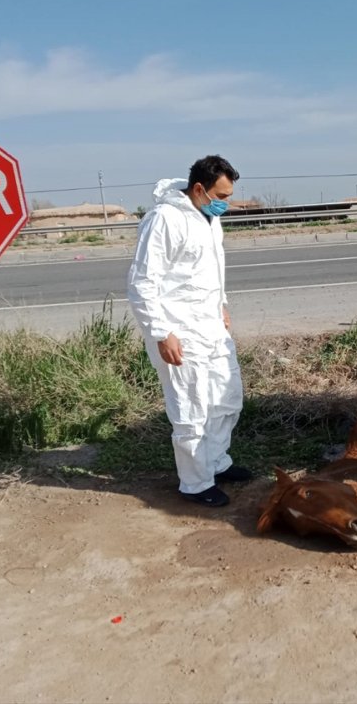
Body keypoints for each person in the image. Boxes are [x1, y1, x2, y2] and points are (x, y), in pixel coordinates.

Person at [127, 155, 251, 507]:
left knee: (226, 400)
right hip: (180, 333)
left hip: (211, 327)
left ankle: (215, 462)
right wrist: (161, 333)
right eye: (222, 196)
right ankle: (195, 483)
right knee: (191, 409)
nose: (226, 203)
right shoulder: (165, 220)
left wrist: (222, 303)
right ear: (199, 188)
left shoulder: (208, 219)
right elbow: (142, 283)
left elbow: (209, 271)